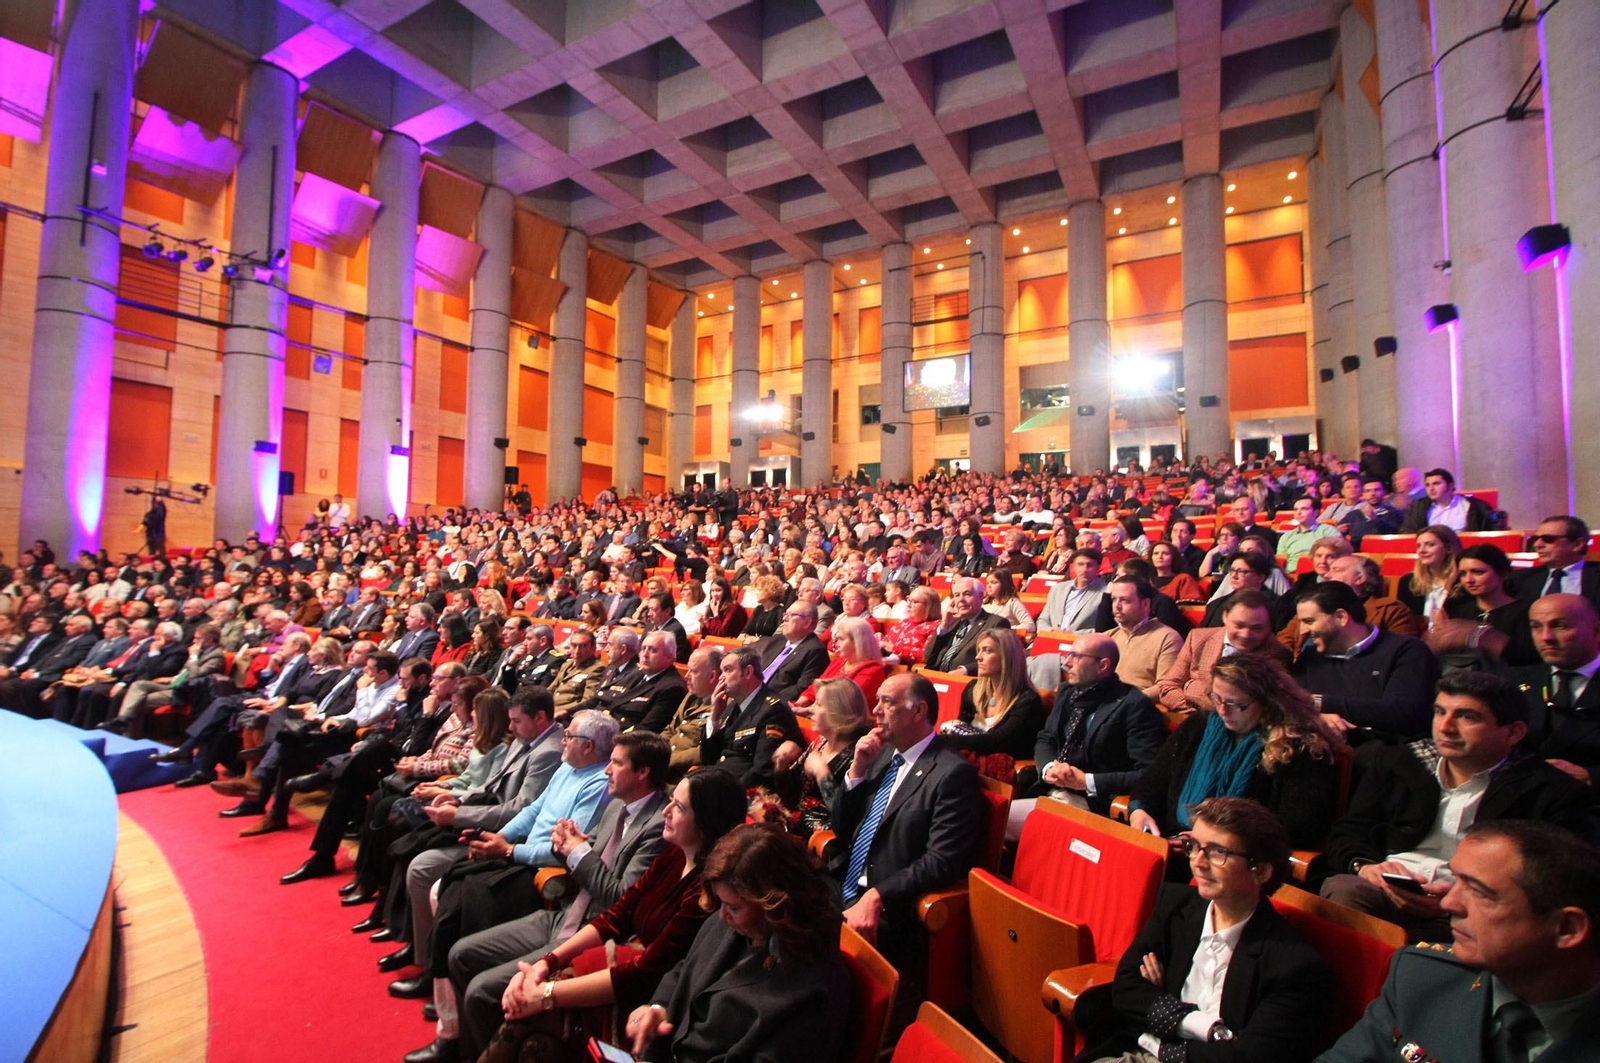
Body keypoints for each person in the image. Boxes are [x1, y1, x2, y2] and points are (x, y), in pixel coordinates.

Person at [464, 767, 748, 1063]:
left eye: (677, 806)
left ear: (705, 822)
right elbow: (618, 914)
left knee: (524, 1023)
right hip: (614, 967)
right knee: (532, 1043)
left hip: (643, 998)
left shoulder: (708, 889)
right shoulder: (674, 854)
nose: (666, 811)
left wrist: (546, 994)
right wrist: (544, 965)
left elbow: (647, 971)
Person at [1319, 671, 1593, 941]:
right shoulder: (1398, 762)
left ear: (1513, 732)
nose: (1446, 727)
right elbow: (1349, 830)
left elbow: (1552, 883)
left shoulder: (1551, 791)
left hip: (1476, 909)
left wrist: (1464, 896)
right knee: (1343, 889)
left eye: (1467, 717)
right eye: (1440, 712)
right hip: (1387, 890)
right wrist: (1366, 867)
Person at [1315, 820, 1600, 1063]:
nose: (1449, 902)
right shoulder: (1423, 977)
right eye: (1456, 882)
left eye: (1479, 892)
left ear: (1566, 928)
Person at [386, 710, 616, 1002]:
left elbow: (565, 850)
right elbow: (532, 811)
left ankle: (446, 998)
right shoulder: (567, 767)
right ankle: (439, 980)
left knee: (449, 896)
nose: (563, 741)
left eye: (569, 736)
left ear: (588, 746)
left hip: (540, 869)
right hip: (519, 852)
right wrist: (501, 837)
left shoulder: (597, 784)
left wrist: (508, 849)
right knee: (444, 885)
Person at [1081, 797, 1334, 1063]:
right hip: (1139, 1052)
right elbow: (1126, 988)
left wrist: (1162, 1009)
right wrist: (1206, 1027)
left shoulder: (1294, 966)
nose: (1198, 862)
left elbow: (1247, 1057)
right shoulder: (1175, 905)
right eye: (1194, 846)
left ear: (1260, 871)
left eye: (1217, 852)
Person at [623, 823, 851, 1063]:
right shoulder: (738, 922)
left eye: (734, 907)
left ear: (777, 906)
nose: (722, 915)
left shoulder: (812, 994)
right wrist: (658, 1009)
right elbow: (685, 970)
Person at [1129, 655, 1345, 858]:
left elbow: (1301, 826)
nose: (1222, 710)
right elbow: (1152, 781)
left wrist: (1210, 838)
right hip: (1175, 846)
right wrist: (1139, 810)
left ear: (1268, 702)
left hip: (1241, 859)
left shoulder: (1301, 747)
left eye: (1235, 703)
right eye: (1217, 698)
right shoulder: (1199, 725)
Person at [832, 672, 982, 965]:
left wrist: (878, 896)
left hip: (890, 909)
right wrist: (857, 771)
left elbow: (941, 860)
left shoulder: (951, 774)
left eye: (886, 702)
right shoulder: (882, 754)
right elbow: (842, 828)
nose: (875, 711)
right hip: (840, 885)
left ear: (919, 710)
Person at [1022, 632, 1164, 830]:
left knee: (997, 824)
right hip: (1052, 792)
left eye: (1076, 657)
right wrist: (1048, 769)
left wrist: (1087, 782)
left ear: (1103, 666)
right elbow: (1046, 738)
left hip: (1096, 805)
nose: (1067, 663)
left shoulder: (1134, 705)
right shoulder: (1067, 691)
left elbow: (1148, 774)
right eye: (1068, 655)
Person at [1292, 582, 1441, 742]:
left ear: (1341, 617)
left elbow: (1402, 712)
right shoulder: (1310, 657)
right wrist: (1318, 716)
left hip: (1389, 753)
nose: (1303, 631)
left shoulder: (1406, 651)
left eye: (1309, 621)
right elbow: (1290, 703)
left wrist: (1319, 703)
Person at [1512, 593, 1600, 786]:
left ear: (1596, 629)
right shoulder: (1512, 683)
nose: (1546, 637)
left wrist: (1590, 776)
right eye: (1536, 626)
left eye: (1560, 625)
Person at [1154, 591, 1291, 713]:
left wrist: (1190, 686)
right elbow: (1168, 688)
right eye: (1239, 625)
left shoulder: (1277, 653)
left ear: (1269, 627)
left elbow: (1240, 705)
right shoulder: (1197, 638)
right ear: (1225, 616)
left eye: (1257, 629)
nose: (1246, 635)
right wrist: (1198, 710)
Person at [698, 645, 803, 789]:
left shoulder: (774, 711)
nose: (721, 677)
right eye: (721, 671)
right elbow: (709, 759)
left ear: (748, 672)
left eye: (727, 670)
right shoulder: (731, 706)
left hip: (741, 795)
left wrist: (723, 796)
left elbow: (763, 772)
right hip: (717, 783)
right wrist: (714, 717)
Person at [938, 627, 1047, 760]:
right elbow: (961, 727)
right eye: (979, 650)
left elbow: (997, 741)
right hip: (968, 761)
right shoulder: (972, 689)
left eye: (987, 651)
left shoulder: (1027, 701)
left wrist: (941, 741)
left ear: (1006, 658)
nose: (978, 657)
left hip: (1001, 769)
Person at [1427, 544, 1539, 666]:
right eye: (1463, 574)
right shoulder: (1457, 610)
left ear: (1503, 574)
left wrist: (1485, 637)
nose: (1468, 580)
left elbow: (1526, 659)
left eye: (1478, 572)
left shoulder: (1525, 612)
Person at [1107, 576, 1182, 699]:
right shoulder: (1108, 636)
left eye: (1125, 600)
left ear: (1145, 604)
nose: (1117, 606)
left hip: (1137, 709)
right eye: (1114, 600)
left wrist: (1124, 702)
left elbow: (1165, 686)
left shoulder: (1168, 638)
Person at [792, 616, 885, 712]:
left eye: (841, 639)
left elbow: (843, 702)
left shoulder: (873, 670)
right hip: (823, 714)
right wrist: (801, 702)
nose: (836, 644)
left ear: (857, 642)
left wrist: (808, 710)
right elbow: (815, 687)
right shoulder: (838, 662)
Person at [749, 601, 829, 703]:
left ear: (807, 622)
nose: (784, 618)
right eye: (785, 614)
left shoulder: (815, 651)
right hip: (750, 694)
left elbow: (802, 688)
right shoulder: (777, 640)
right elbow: (759, 668)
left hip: (772, 704)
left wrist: (765, 699)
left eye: (791, 615)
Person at [1516, 515, 1600, 608]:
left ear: (1577, 544)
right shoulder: (1522, 578)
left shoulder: (1596, 576)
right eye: (1535, 539)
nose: (1537, 545)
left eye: (1548, 539)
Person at [1396, 524, 1462, 624]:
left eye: (1430, 545)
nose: (1422, 550)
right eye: (1419, 546)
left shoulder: (1463, 582)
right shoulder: (1409, 582)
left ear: (1448, 548)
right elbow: (1403, 622)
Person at [1398, 467, 1497, 533]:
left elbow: (1491, 528)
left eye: (1436, 484)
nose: (1431, 488)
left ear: (1450, 485)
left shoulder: (1473, 506)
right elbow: (1406, 531)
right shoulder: (1418, 507)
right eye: (1427, 485)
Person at [1040, 550, 1107, 633]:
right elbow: (1042, 620)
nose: (1084, 569)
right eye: (1080, 564)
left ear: (1098, 567)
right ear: (1073, 566)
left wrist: (1071, 634)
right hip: (1051, 638)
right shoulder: (1057, 589)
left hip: (1082, 643)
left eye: (1089, 565)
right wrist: (1052, 631)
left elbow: (1106, 629)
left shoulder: (1106, 593)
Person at [1279, 496, 1339, 573]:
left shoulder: (1328, 531)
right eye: (1296, 509)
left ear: (1316, 512)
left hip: (1320, 574)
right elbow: (1280, 561)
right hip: (1291, 576)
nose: (1299, 512)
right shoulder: (1286, 537)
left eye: (1304, 509)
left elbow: (1337, 555)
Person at [983, 569, 1036, 636]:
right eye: (987, 583)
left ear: (1004, 584)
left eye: (994, 582)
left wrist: (1006, 629)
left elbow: (1030, 626)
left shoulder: (1012, 602)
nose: (989, 586)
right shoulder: (984, 603)